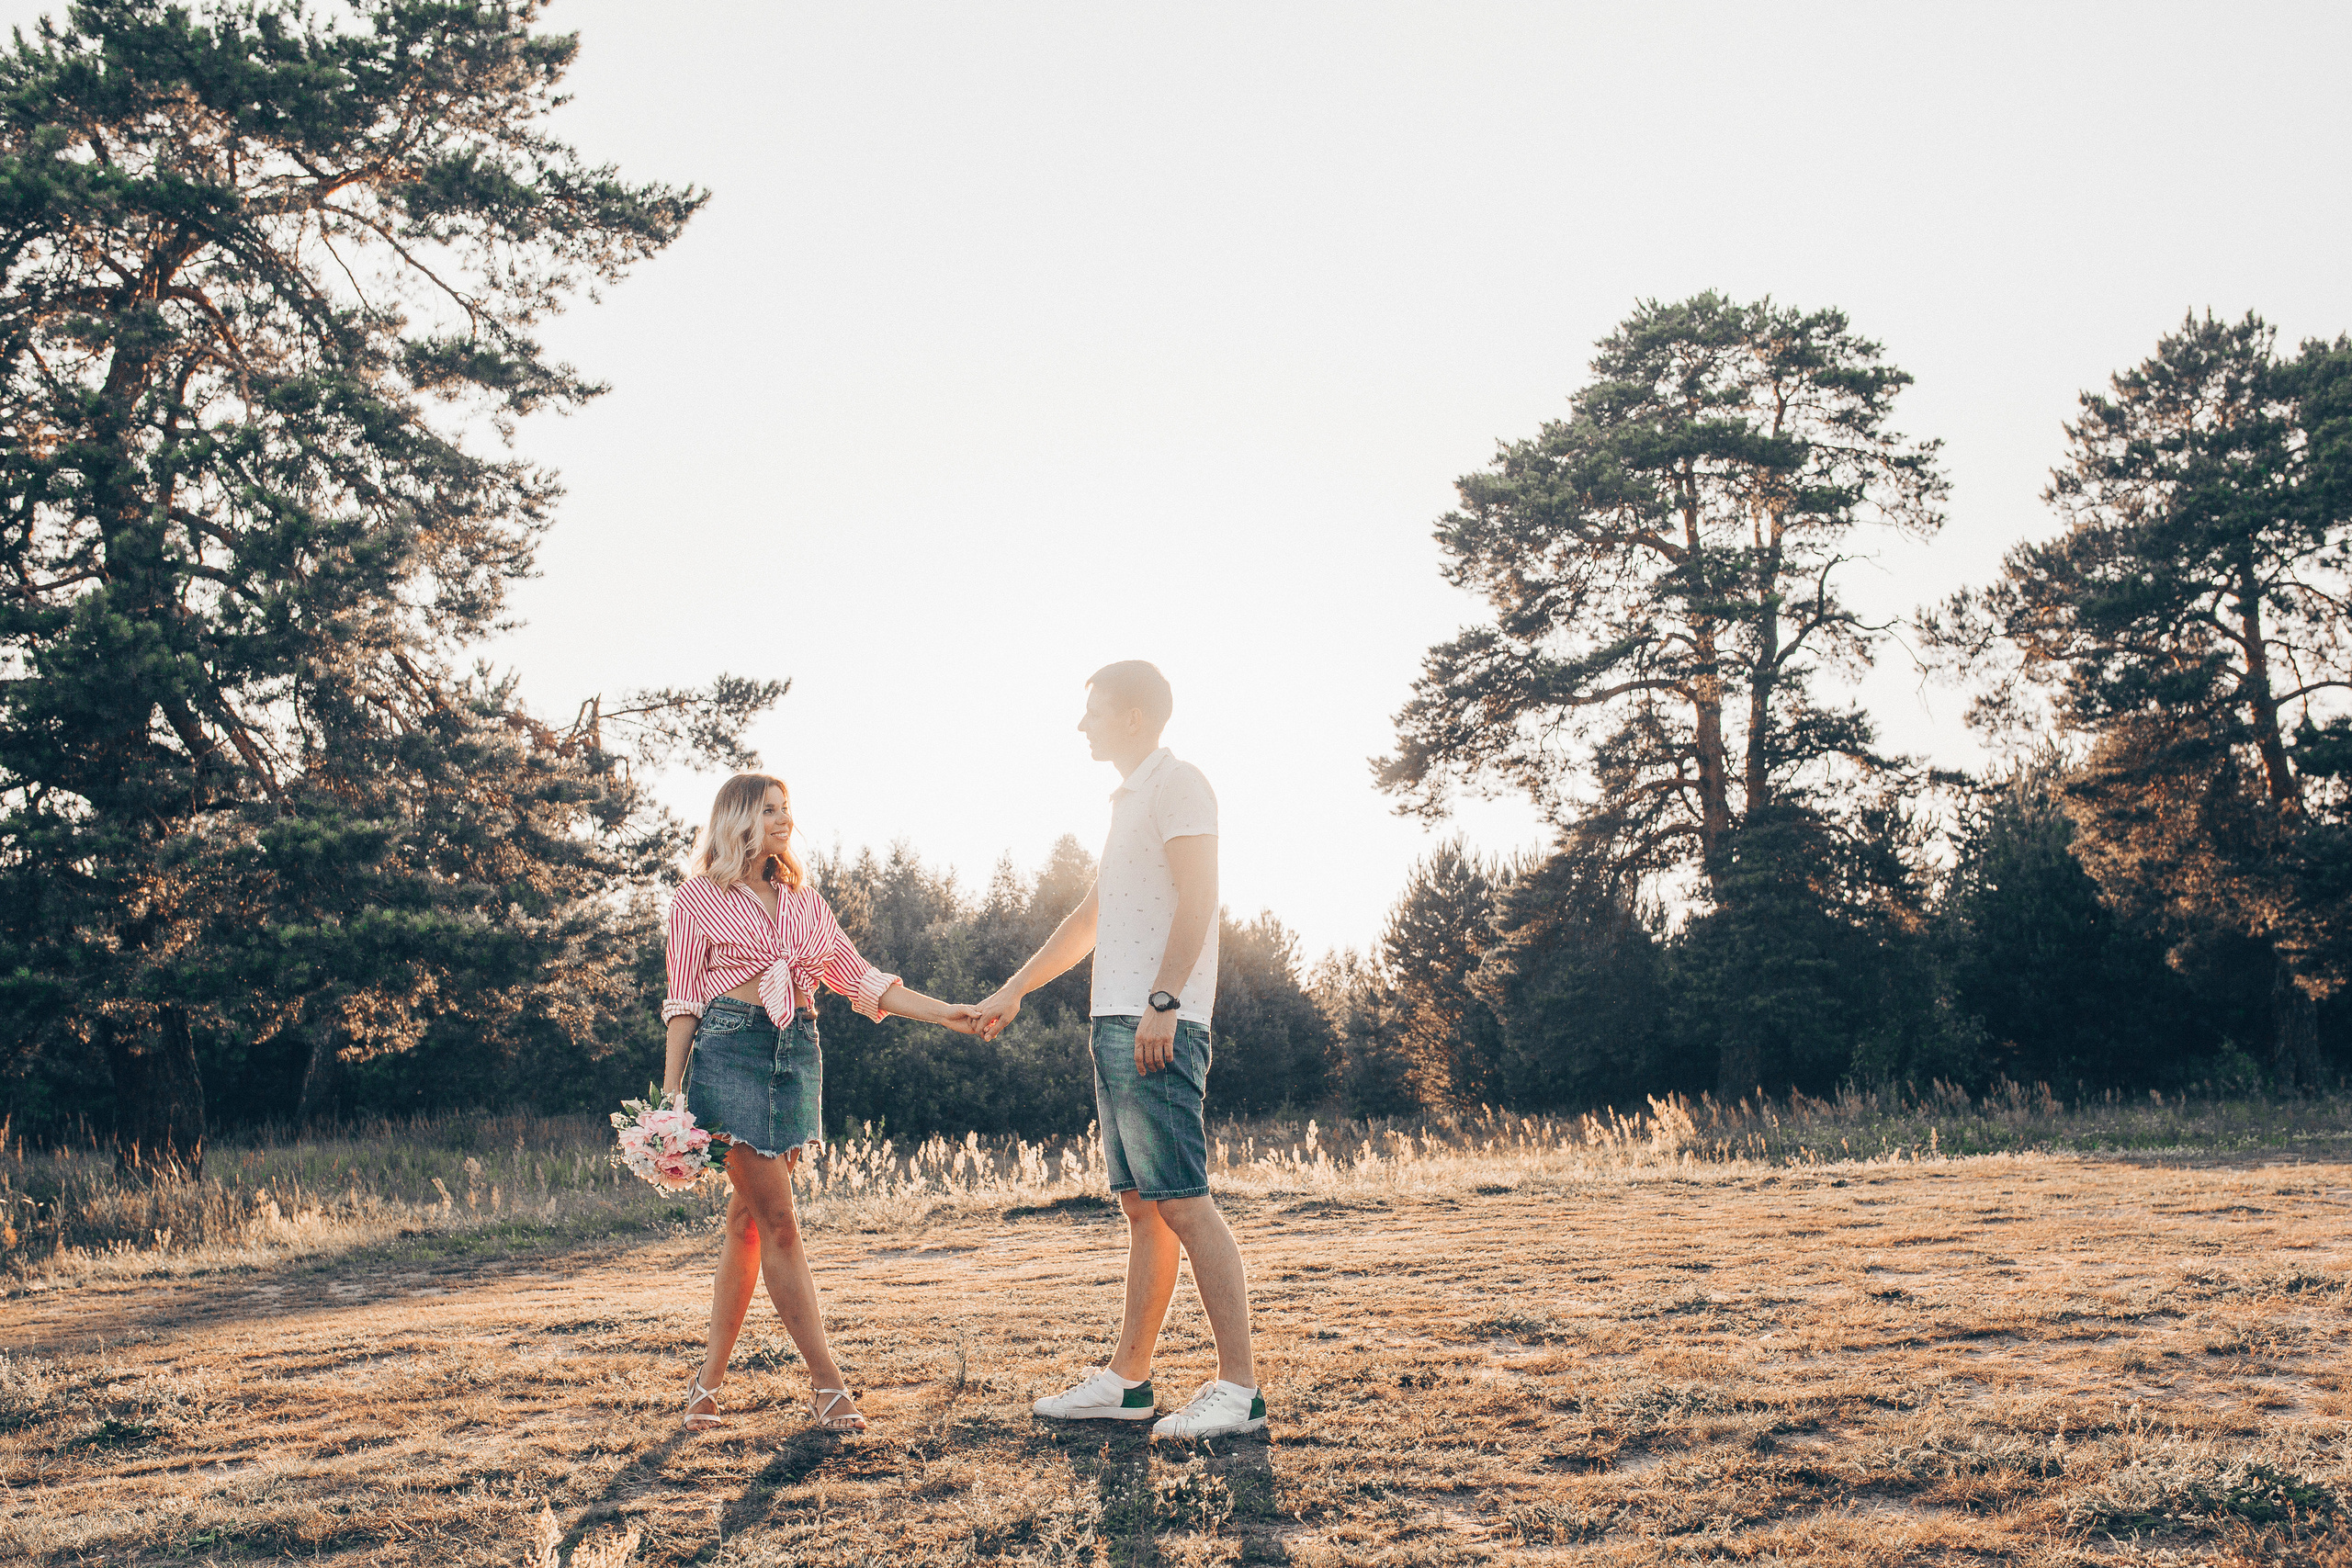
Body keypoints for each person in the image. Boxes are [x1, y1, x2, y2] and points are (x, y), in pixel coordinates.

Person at [972, 661, 1265, 1440]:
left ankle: (1239, 1390)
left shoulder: (1181, 784)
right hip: (1115, 1022)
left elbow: (1202, 897)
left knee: (1183, 1197)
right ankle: (1128, 1384)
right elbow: (1091, 916)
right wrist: (1016, 987)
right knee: (1145, 1208)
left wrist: (1164, 1002)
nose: (1083, 725)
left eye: (1094, 711)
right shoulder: (1127, 801)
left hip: (1155, 1021)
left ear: (1135, 716)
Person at [663, 772, 978, 1433]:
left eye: (787, 809)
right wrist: (669, 1099)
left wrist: (945, 1012)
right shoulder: (696, 899)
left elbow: (862, 979)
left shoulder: (806, 903)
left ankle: (705, 1387)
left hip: (797, 1052)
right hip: (730, 1051)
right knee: (780, 1222)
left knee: (748, 1223)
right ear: (738, 819)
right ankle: (828, 1387)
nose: (785, 819)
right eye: (770, 809)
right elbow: (685, 1001)